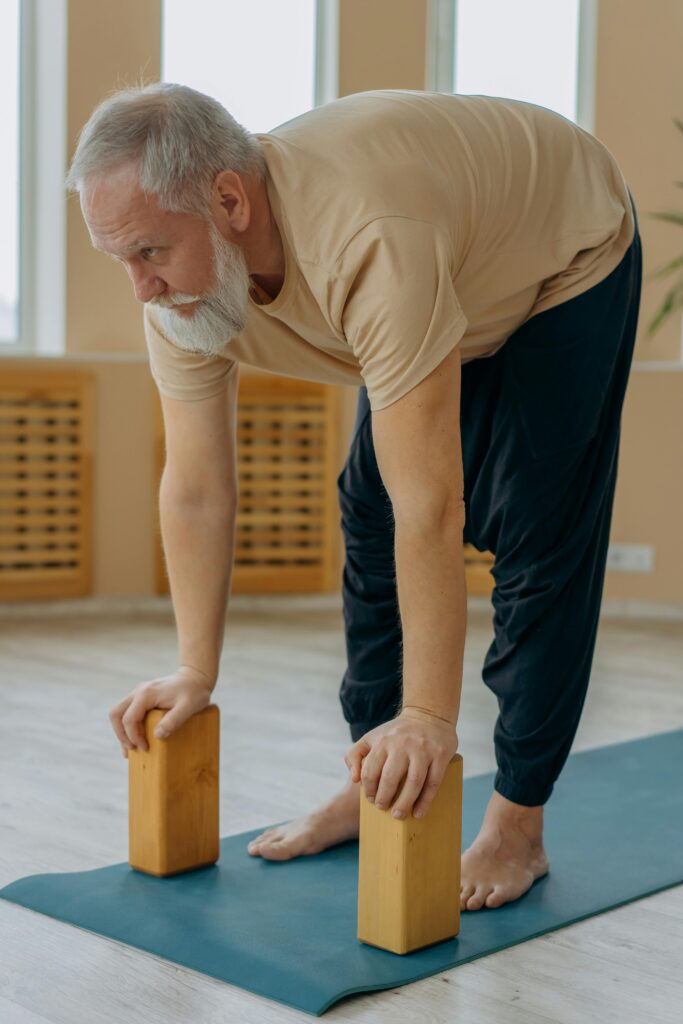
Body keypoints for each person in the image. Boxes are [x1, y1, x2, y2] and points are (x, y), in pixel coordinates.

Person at [65, 82, 642, 913]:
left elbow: (433, 506)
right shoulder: (180, 297)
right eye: (118, 258)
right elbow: (195, 489)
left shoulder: (367, 239)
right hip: (444, 261)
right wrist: (196, 668)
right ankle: (370, 779)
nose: (139, 290)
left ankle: (518, 825)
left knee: (536, 533)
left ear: (228, 199)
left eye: (149, 253)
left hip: (561, 251)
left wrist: (430, 717)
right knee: (365, 505)